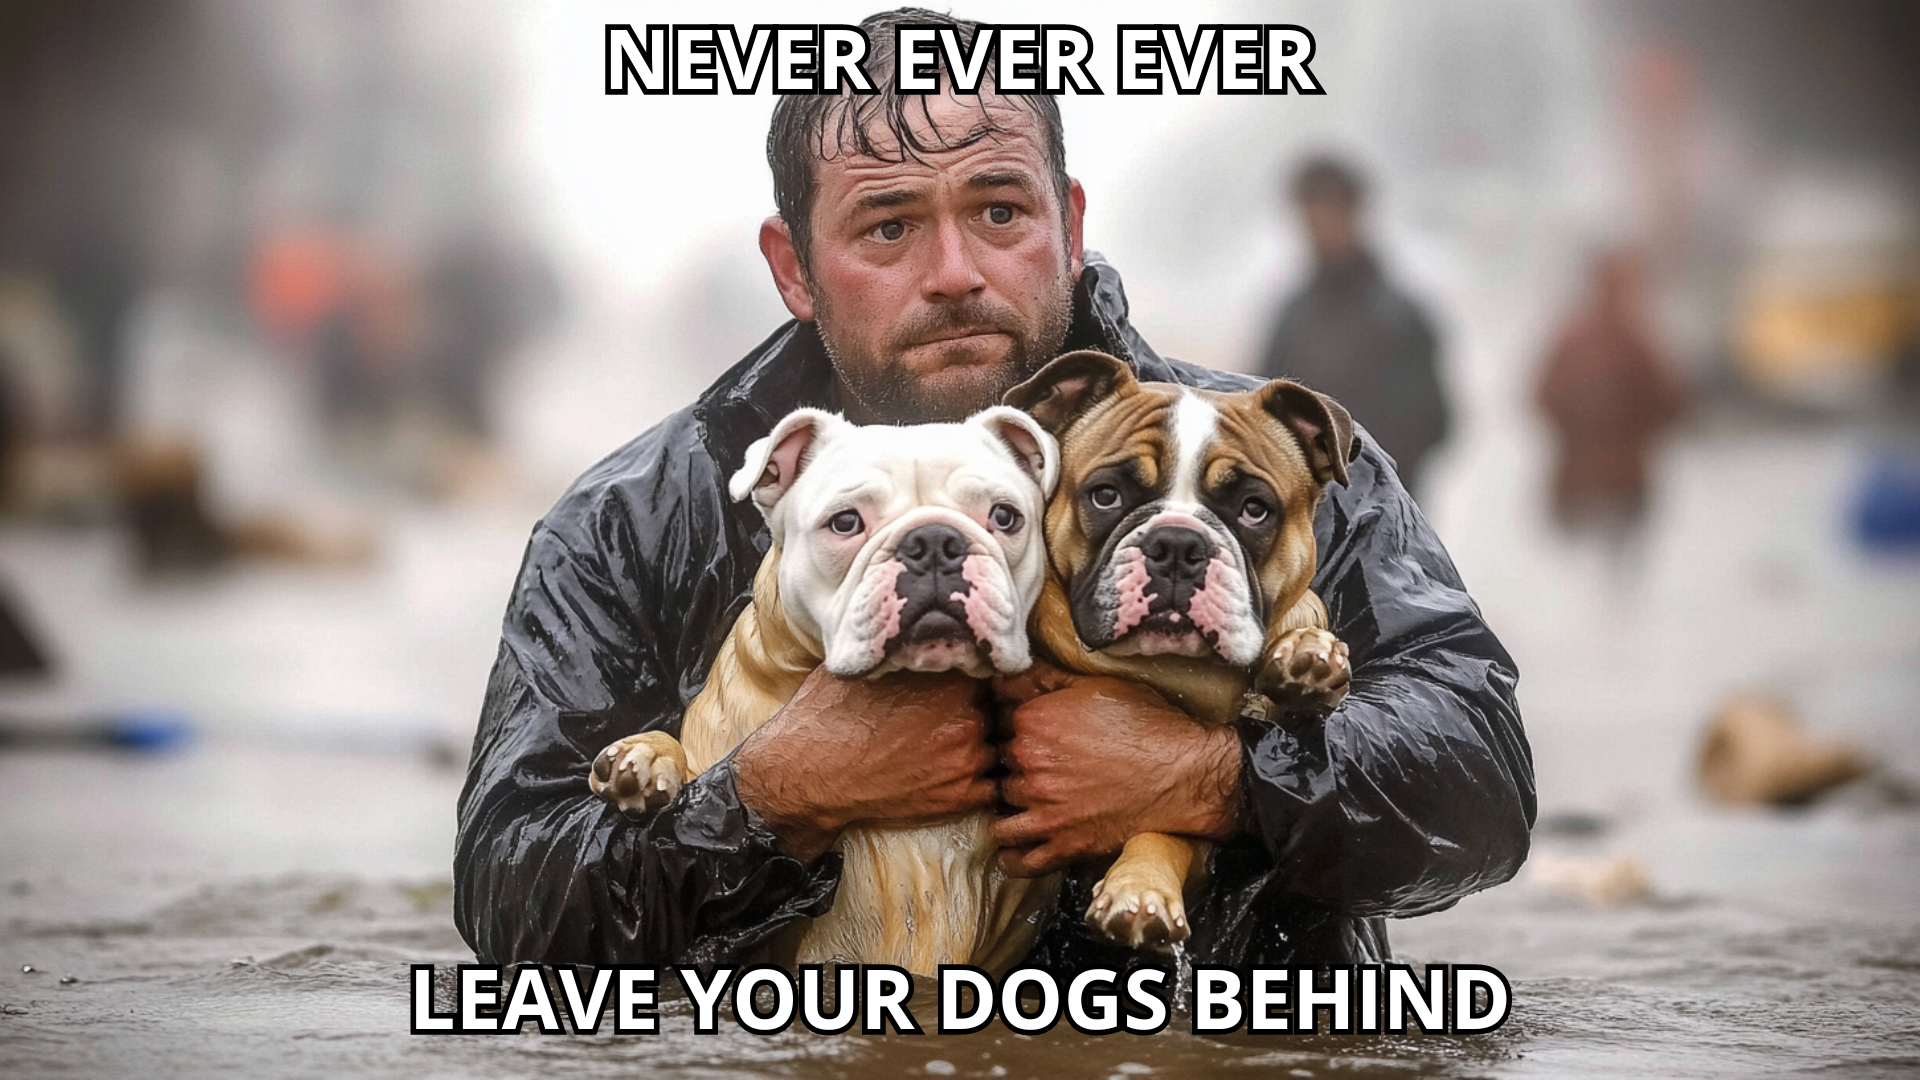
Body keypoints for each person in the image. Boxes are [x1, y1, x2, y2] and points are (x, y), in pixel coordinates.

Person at [454, 9, 1533, 972]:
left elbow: (1482, 787)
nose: (958, 271)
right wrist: (766, 802)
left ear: (1067, 222)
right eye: (888, 227)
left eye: (1002, 212)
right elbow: (512, 900)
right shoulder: (639, 523)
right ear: (793, 268)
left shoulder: (1262, 471)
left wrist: (1218, 781)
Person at [1255, 156, 1451, 500]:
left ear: (1354, 213)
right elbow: (1259, 406)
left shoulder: (1400, 316)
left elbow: (1436, 421)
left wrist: (1370, 474)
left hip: (1384, 516)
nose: (1317, 226)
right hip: (1305, 514)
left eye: (1327, 211)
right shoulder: (1292, 315)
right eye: (1308, 214)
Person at [1535, 249, 1687, 562]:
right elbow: (1672, 403)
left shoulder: (1571, 339)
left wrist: (1573, 433)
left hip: (1578, 482)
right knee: (1610, 579)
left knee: (1576, 579)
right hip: (1623, 483)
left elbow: (1541, 396)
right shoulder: (1640, 343)